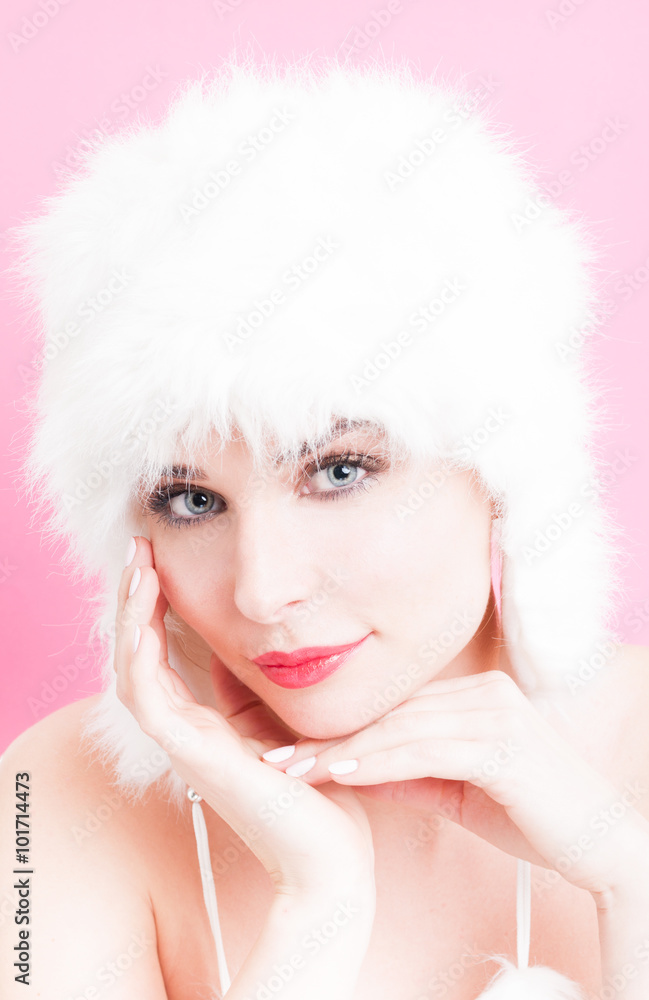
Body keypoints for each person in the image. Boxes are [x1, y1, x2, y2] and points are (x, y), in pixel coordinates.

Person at [2, 50, 649, 1000]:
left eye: (339, 471)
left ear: (502, 468)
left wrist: (629, 882)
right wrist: (319, 913)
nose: (262, 589)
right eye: (190, 501)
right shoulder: (42, 798)